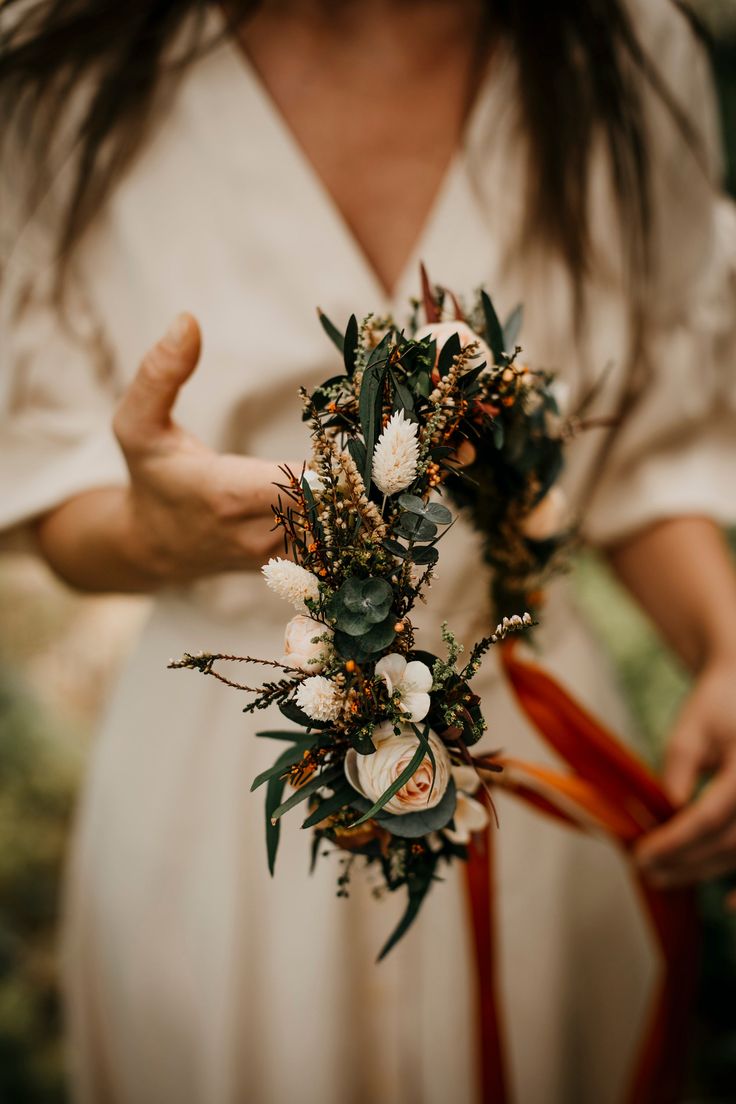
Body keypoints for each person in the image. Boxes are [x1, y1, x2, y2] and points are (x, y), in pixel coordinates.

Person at [2, 1, 736, 1101]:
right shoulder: (56, 58)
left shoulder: (632, 51)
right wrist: (155, 534)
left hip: (529, 769)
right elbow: (55, 485)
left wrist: (724, 641)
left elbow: (638, 462)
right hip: (224, 816)